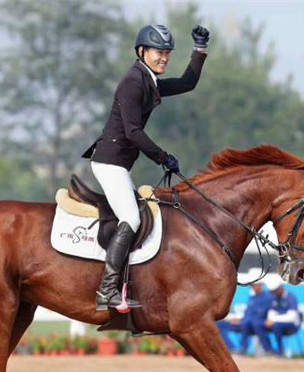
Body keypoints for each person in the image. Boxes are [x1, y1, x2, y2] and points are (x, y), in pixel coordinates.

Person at [81, 24, 210, 312]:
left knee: (140, 215)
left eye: (167, 53)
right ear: (142, 51)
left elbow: (187, 83)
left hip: (119, 164)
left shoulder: (148, 80)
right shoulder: (133, 82)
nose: (164, 58)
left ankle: (127, 284)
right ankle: (107, 290)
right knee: (132, 218)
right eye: (158, 52)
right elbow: (132, 132)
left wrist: (199, 50)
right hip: (109, 162)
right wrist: (162, 156)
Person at [217, 280, 272, 355]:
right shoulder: (252, 297)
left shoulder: (267, 297)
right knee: (220, 324)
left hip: (259, 322)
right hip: (247, 322)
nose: (253, 288)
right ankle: (232, 349)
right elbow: (247, 312)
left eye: (254, 286)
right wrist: (240, 319)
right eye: (252, 286)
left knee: (250, 323)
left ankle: (267, 350)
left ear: (260, 286)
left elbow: (261, 313)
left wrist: (244, 320)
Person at [253, 276, 301, 357]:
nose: (273, 293)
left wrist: (274, 320)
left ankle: (280, 352)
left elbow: (291, 317)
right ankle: (269, 350)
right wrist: (269, 320)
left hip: (292, 325)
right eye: (272, 292)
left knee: (277, 326)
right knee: (258, 324)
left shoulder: (291, 298)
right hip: (277, 323)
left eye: (274, 291)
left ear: (280, 288)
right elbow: (272, 312)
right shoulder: (275, 298)